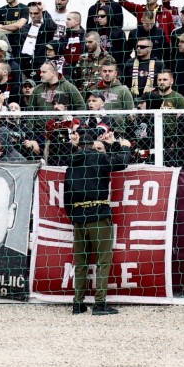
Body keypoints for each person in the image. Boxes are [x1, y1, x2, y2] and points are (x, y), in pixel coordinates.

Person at [59, 120, 128, 313]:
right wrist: (117, 144)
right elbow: (122, 161)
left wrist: (73, 216)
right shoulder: (98, 159)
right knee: (103, 260)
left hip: (79, 216)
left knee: (80, 262)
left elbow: (67, 194)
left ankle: (78, 303)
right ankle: (99, 303)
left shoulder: (72, 162)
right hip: (98, 213)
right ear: (92, 145)